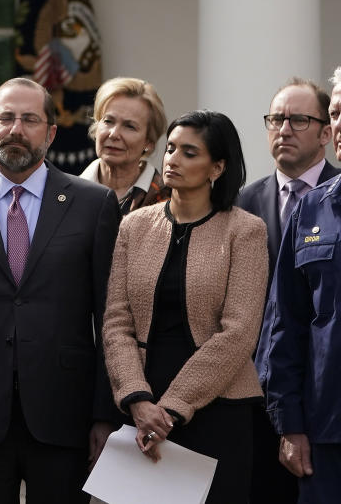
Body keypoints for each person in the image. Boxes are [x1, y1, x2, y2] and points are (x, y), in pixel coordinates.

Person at [0, 77, 120, 504]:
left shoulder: (94, 203)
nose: (16, 129)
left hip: (64, 414)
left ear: (50, 133)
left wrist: (104, 414)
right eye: (6, 118)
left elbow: (111, 316)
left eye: (29, 119)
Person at [103, 110, 268, 503]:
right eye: (171, 148)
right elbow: (116, 322)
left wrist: (173, 408)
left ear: (218, 167)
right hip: (140, 401)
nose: (172, 159)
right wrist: (138, 399)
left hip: (218, 407)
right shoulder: (134, 225)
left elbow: (240, 332)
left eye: (189, 152)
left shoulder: (245, 230)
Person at [238, 78, 338, 504]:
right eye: (336, 113)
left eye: (300, 119)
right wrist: (290, 422)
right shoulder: (313, 208)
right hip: (325, 426)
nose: (285, 129)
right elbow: (287, 324)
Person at [80, 77, 170, 215]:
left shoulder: (166, 199)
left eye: (130, 126)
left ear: (149, 142)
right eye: (108, 121)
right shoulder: (66, 192)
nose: (114, 134)